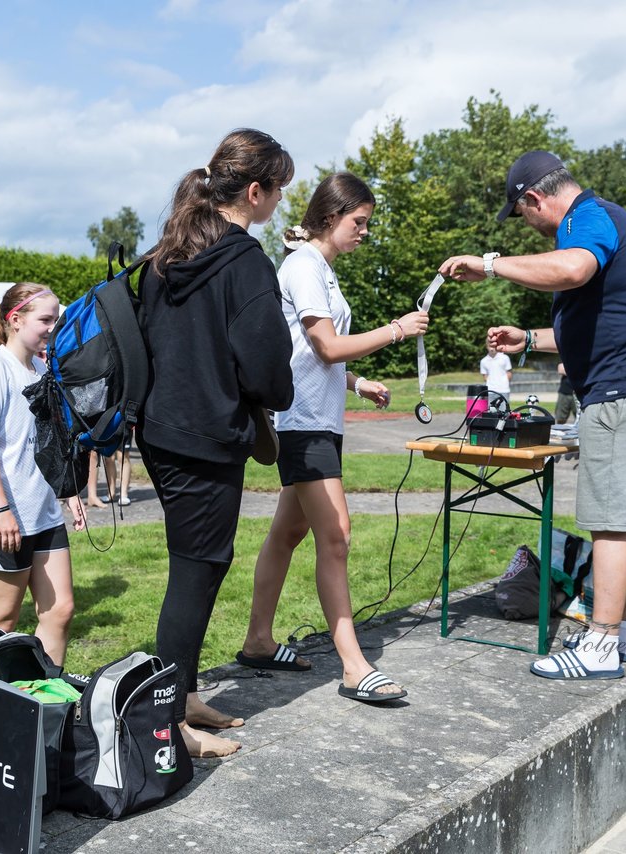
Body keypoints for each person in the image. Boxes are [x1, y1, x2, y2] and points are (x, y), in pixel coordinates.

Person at [439, 149, 626, 679]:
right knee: (620, 516)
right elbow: (598, 319)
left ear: (533, 199)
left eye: (523, 215)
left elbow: (575, 269)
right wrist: (528, 339)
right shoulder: (603, 219)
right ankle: (622, 635)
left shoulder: (585, 218)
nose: (528, 227)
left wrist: (489, 265)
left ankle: (599, 645)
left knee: (608, 518)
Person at [238, 172, 427, 705]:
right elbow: (324, 345)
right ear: (329, 216)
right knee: (337, 534)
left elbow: (306, 353)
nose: (364, 231)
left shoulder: (320, 269)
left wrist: (356, 382)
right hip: (302, 423)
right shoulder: (303, 267)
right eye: (358, 222)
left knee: (287, 535)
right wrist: (396, 329)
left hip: (319, 418)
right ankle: (352, 664)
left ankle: (257, 640)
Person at [137, 128, 295, 758]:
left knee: (201, 565)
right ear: (254, 191)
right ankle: (169, 720)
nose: (280, 201)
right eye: (278, 189)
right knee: (195, 573)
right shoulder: (246, 263)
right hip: (207, 437)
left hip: (163, 431)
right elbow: (265, 370)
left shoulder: (167, 257)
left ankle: (185, 691)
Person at [0, 284, 86, 665]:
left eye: (56, 319)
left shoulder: (40, 369)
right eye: (45, 320)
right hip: (5, 517)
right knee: (0, 622)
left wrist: (69, 493)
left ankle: (46, 699)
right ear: (15, 321)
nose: (52, 328)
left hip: (44, 513)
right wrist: (1, 510)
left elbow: (49, 442)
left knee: (60, 610)